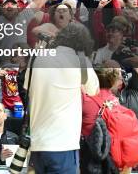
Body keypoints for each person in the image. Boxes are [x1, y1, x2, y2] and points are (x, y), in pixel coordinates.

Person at [25, 23, 99, 174]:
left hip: (36, 145)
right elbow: (94, 91)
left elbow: (27, 86)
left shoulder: (37, 57)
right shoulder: (81, 62)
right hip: (62, 144)